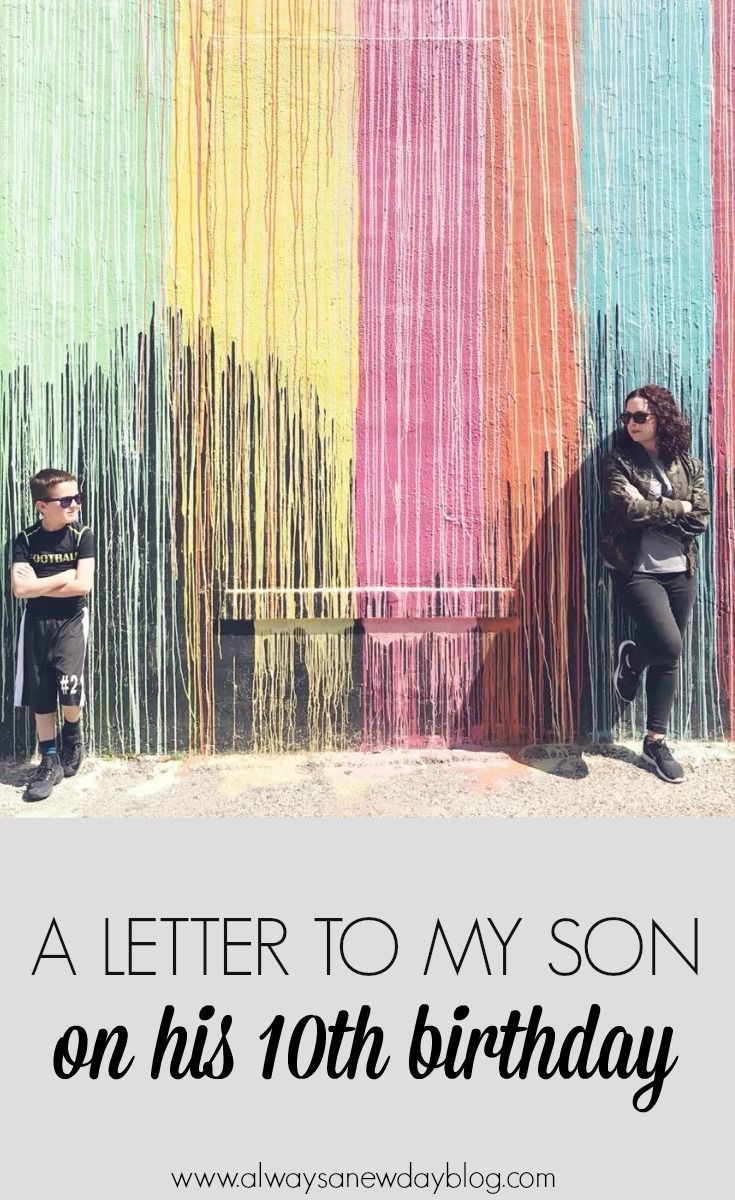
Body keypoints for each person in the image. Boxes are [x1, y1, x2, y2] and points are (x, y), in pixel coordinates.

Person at [600, 385, 710, 783]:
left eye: (639, 417)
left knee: (669, 658)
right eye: (627, 417)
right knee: (668, 644)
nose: (630, 423)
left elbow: (699, 519)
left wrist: (659, 508)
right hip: (637, 568)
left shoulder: (689, 464)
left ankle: (655, 741)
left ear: (660, 417)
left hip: (680, 568)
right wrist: (675, 506)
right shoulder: (619, 462)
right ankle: (630, 661)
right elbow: (627, 510)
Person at [11, 469, 95, 802]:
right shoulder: (26, 539)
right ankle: (49, 759)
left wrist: (39, 585)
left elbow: (83, 586)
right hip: (36, 623)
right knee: (41, 692)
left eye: (77, 497)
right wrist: (62, 575)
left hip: (72, 620)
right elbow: (20, 589)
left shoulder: (81, 536)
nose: (75, 504)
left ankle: (72, 732)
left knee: (69, 688)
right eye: (66, 500)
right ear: (42, 506)